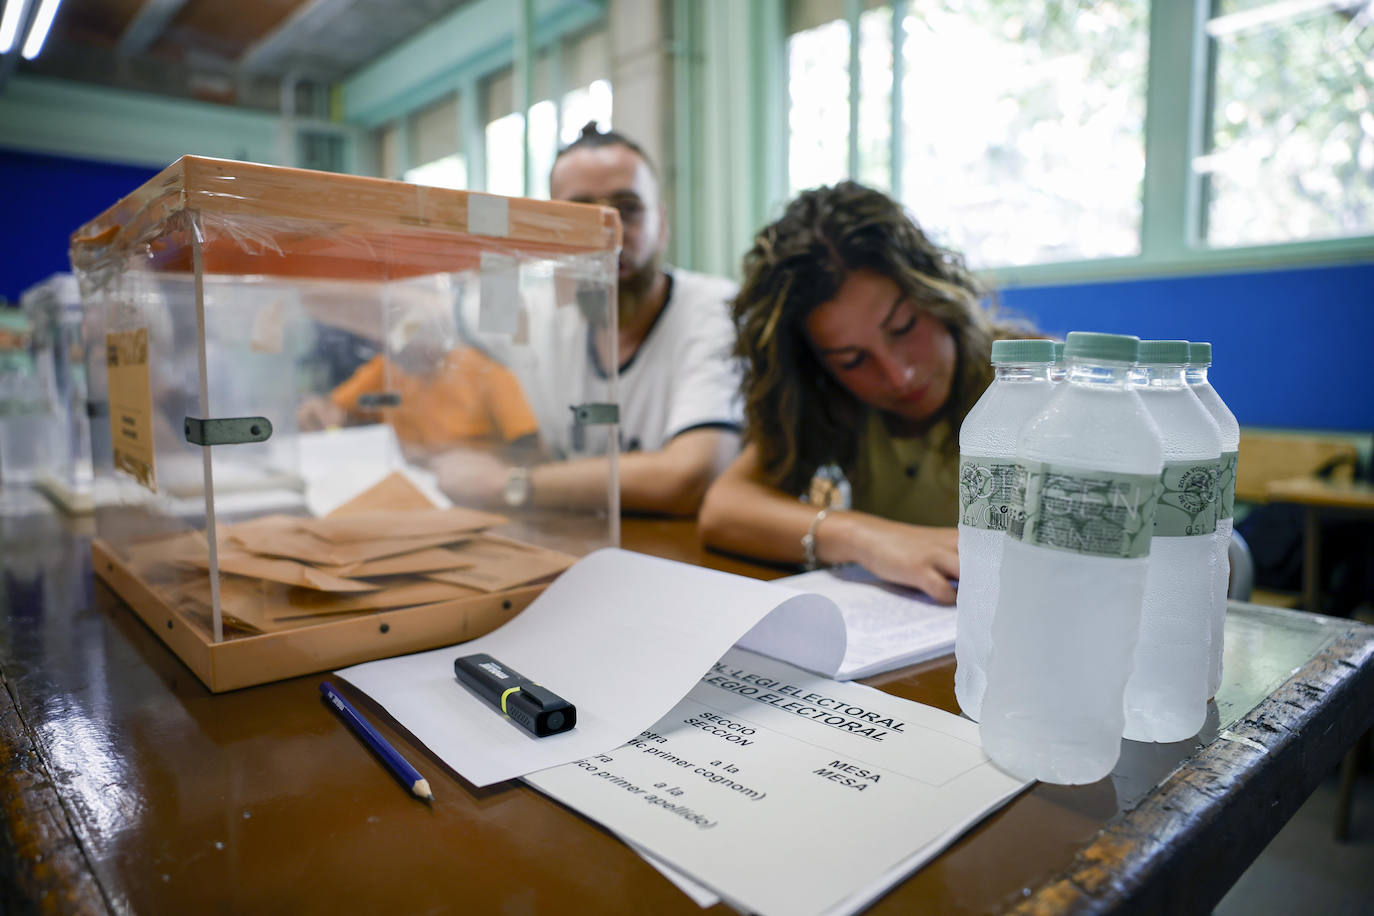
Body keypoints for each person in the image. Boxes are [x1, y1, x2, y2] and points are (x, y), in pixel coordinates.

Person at [698, 182, 1029, 604]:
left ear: (939, 292)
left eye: (905, 326)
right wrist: (865, 538)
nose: (899, 375)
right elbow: (724, 508)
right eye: (852, 360)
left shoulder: (1030, 385)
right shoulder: (834, 401)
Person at [431, 124, 742, 516]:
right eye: (578, 215)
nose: (606, 235)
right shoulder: (534, 311)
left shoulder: (716, 310)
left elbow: (691, 476)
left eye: (627, 210)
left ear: (661, 225)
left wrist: (508, 484)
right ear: (548, 236)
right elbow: (426, 311)